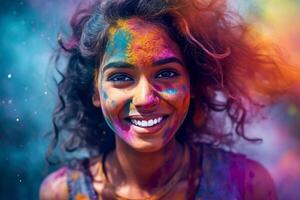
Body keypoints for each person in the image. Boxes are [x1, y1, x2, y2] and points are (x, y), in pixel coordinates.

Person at [40, 0, 286, 199]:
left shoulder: (248, 187)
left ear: (193, 84)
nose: (145, 99)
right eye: (122, 77)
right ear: (95, 91)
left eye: (166, 73)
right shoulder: (60, 193)